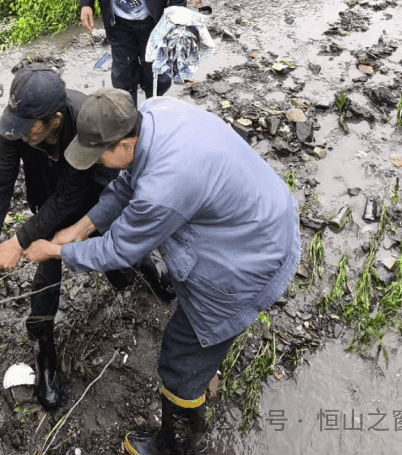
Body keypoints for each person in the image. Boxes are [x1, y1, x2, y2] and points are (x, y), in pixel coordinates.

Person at [26, 90, 300, 454]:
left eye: (101, 154)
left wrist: (58, 250)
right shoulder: (156, 111)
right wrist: (80, 229)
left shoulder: (163, 187)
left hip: (250, 261)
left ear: (125, 141)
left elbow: (119, 249)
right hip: (261, 214)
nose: (99, 163)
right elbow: (126, 184)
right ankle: (206, 372)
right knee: (192, 333)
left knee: (180, 359)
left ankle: (177, 445)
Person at [0, 64, 145, 411]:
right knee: (46, 253)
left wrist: (16, 241)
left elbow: (71, 196)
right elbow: (1, 186)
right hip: (46, 193)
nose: (18, 134)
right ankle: (43, 342)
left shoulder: (84, 122)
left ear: (56, 119)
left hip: (91, 193)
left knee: (117, 259)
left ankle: (144, 266)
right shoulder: (17, 125)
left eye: (28, 129)